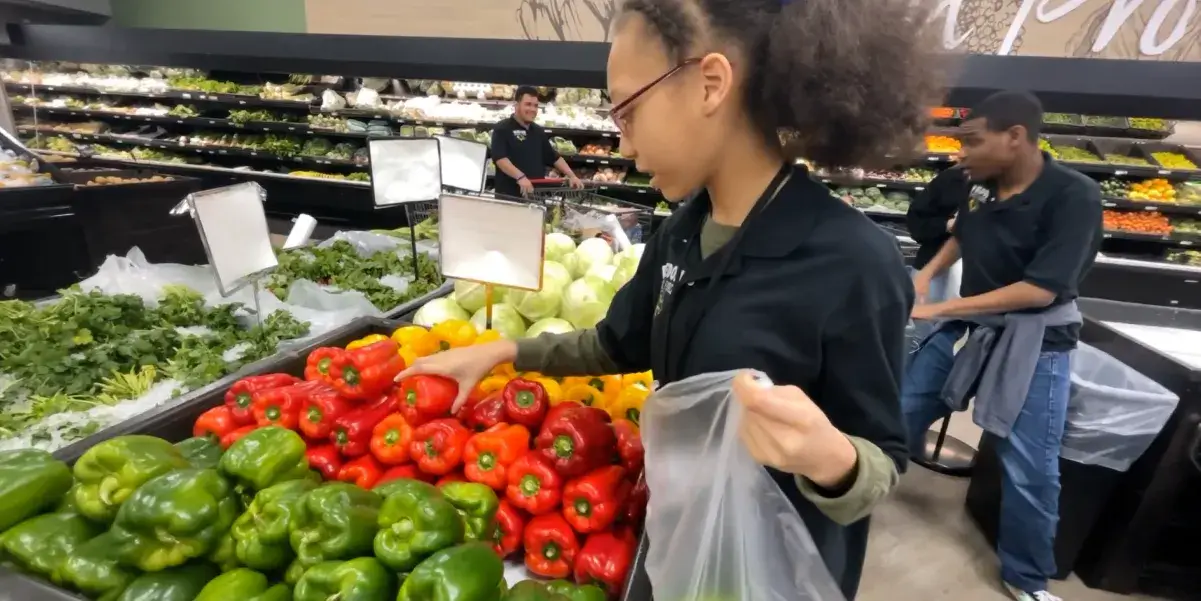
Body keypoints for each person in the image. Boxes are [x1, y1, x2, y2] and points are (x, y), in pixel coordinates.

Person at [401, 0, 943, 597]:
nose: (625, 146)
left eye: (628, 113)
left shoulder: (853, 263)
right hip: (678, 539)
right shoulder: (680, 232)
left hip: (774, 569)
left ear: (711, 83)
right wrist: (499, 352)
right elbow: (616, 343)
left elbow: (885, 457)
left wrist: (832, 461)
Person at [904, 91, 1103, 601]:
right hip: (974, 327)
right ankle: (846, 495)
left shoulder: (1073, 195)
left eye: (973, 140)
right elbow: (964, 236)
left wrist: (940, 309)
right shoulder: (981, 188)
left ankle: (1026, 579)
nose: (961, 151)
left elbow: (1041, 289)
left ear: (1015, 137)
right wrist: (924, 277)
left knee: (1029, 466)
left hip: (1036, 344)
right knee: (900, 406)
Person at [904, 164, 967, 350]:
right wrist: (946, 225)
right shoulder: (952, 178)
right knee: (920, 336)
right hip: (934, 272)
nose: (962, 154)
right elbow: (916, 222)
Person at [490, 85, 584, 197]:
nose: (533, 109)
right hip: (509, 197)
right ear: (516, 105)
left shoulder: (538, 131)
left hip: (535, 197)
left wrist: (571, 175)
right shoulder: (502, 129)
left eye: (535, 106)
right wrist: (520, 177)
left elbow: (554, 157)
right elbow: (501, 159)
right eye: (528, 104)